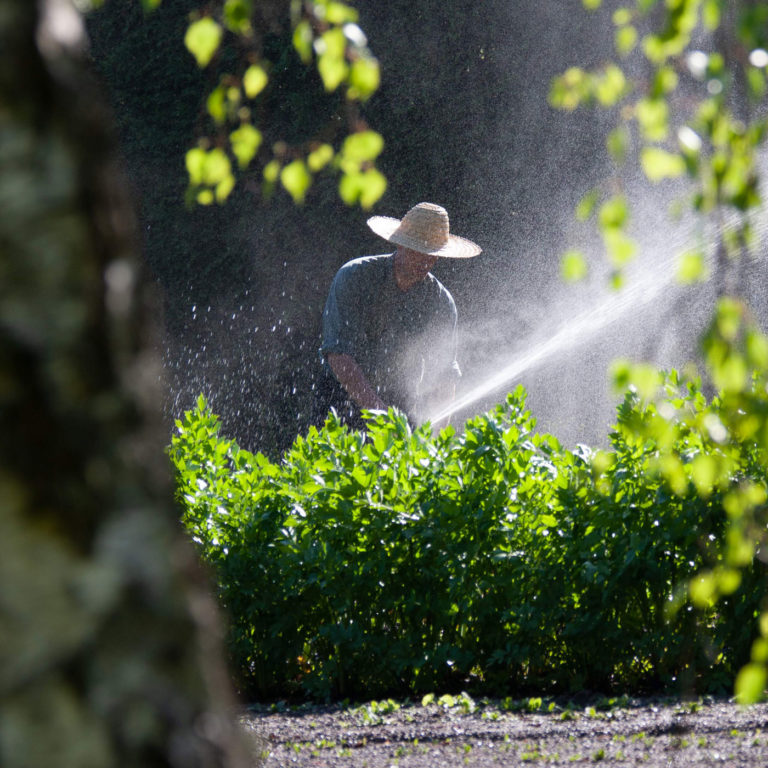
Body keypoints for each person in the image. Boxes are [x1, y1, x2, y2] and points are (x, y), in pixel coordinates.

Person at [318, 202, 481, 430]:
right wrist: (378, 412)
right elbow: (338, 354)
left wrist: (438, 439)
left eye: (433, 253)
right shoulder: (355, 277)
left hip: (401, 403)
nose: (427, 260)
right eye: (419, 251)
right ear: (400, 245)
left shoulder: (441, 303)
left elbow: (444, 376)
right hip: (340, 396)